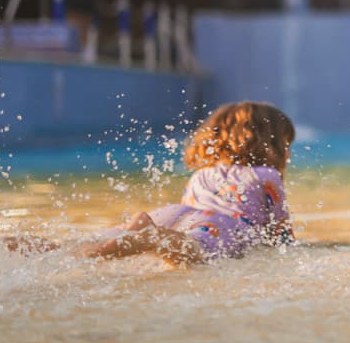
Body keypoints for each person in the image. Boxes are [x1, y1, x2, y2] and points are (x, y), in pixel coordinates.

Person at [79, 101, 295, 265]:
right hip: (223, 225)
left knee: (101, 239)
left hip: (175, 213)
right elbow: (280, 232)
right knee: (193, 250)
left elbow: (189, 212)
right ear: (271, 144)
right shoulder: (267, 175)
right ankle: (151, 237)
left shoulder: (202, 173)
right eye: (286, 144)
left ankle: (53, 246)